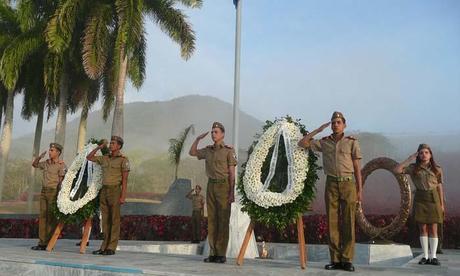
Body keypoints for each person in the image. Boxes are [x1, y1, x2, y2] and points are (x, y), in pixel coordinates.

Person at [298, 111, 362, 272]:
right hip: (331, 183)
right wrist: (319, 130)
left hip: (348, 183)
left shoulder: (352, 142)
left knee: (348, 221)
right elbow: (302, 143)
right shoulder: (324, 142)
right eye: (333, 122)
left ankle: (347, 260)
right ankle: (334, 259)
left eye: (338, 122)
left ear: (344, 125)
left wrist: (360, 189)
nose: (335, 125)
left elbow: (357, 168)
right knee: (332, 222)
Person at [189, 122, 237, 264]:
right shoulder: (208, 150)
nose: (213, 134)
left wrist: (232, 193)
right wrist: (198, 139)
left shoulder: (229, 151)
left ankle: (221, 254)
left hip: (224, 186)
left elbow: (232, 174)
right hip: (211, 186)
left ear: (222, 134)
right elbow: (192, 153)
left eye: (216, 132)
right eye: (212, 132)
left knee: (223, 220)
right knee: (212, 221)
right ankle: (213, 253)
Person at [394, 144, 445, 266]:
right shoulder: (413, 168)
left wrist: (442, 204)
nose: (424, 155)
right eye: (421, 153)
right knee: (423, 228)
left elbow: (439, 187)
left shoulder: (437, 169)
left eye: (426, 152)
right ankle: (425, 256)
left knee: (433, 228)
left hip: (434, 199)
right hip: (420, 198)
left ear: (430, 154)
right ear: (418, 155)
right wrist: (410, 158)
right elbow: (397, 170)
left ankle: (433, 257)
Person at [87, 136, 130, 256]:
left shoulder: (123, 160)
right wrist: (99, 147)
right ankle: (103, 246)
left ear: (119, 146)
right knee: (105, 220)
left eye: (113, 143)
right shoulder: (104, 158)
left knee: (114, 220)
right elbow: (89, 157)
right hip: (104, 190)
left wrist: (123, 196)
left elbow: (125, 180)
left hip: (115, 190)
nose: (110, 145)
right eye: (110, 143)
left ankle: (111, 247)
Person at [31, 143, 66, 250]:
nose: (50, 152)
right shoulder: (46, 163)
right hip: (44, 191)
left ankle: (48, 242)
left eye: (52, 150)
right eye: (50, 150)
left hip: (53, 192)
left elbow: (61, 181)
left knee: (51, 218)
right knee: (43, 217)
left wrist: (59, 195)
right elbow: (35, 165)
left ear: (58, 152)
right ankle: (41, 242)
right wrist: (39, 157)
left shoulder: (61, 165)